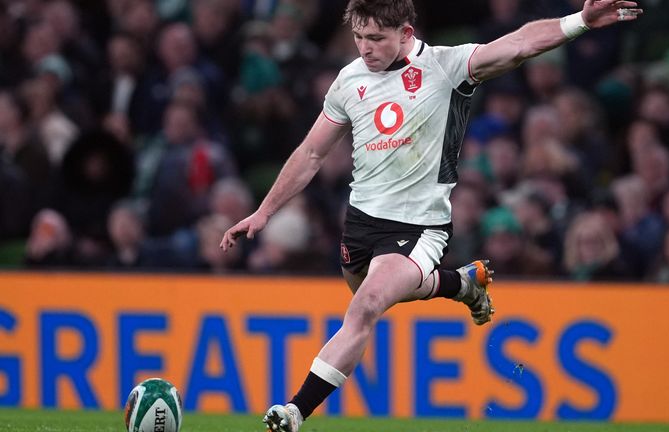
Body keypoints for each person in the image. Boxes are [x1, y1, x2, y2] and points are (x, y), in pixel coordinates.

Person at [219, 1, 641, 430]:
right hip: (361, 226)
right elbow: (311, 153)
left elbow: (517, 46)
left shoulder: (446, 66)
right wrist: (264, 211)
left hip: (421, 226)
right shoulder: (348, 81)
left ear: (405, 32)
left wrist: (580, 22)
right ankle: (460, 283)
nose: (365, 49)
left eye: (376, 38)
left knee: (366, 306)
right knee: (375, 293)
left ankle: (294, 411)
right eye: (359, 37)